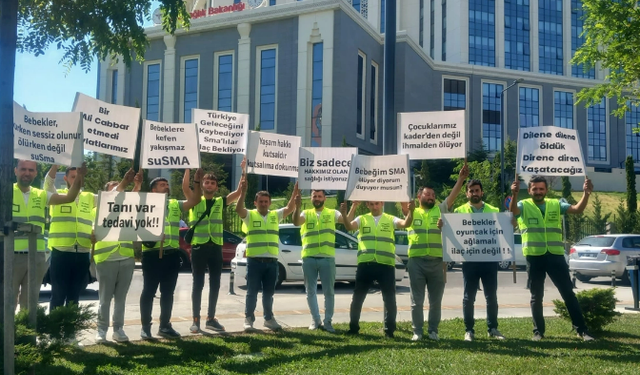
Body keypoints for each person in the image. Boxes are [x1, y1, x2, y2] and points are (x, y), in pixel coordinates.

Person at [510, 174, 595, 341]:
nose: (538, 191)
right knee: (536, 296)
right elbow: (513, 211)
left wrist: (586, 193)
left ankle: (582, 330)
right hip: (534, 257)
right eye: (535, 189)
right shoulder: (523, 205)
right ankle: (538, 332)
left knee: (568, 293)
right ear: (529, 190)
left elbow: (577, 210)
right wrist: (513, 194)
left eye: (541, 189)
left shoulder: (556, 204)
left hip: (555, 256)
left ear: (546, 190)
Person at [403, 162, 468, 341]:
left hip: (437, 262)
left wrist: (461, 179)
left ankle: (433, 331)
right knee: (416, 300)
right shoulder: (412, 212)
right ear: (419, 196)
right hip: (416, 262)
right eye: (427, 194)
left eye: (433, 195)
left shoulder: (440, 211)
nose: (431, 197)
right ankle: (417, 331)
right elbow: (399, 196)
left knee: (435, 301)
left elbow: (452, 197)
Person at [11, 160, 85, 311]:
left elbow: (69, 197)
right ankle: (7, 334)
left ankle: (27, 334)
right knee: (8, 300)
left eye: (31, 170)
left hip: (36, 257)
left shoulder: (41, 194)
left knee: (30, 302)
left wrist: (79, 176)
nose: (27, 173)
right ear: (15, 171)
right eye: (23, 169)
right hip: (11, 256)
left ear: (36, 173)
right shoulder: (5, 191)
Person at [139, 169, 203, 340]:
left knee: (168, 293)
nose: (166, 187)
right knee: (148, 291)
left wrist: (196, 181)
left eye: (167, 185)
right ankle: (145, 327)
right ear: (153, 190)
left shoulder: (175, 204)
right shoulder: (144, 204)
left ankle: (165, 326)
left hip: (172, 255)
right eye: (162, 185)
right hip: (152, 254)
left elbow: (195, 200)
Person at [184, 158, 245, 333]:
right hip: (199, 248)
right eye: (206, 182)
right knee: (198, 284)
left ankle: (211, 318)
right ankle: (196, 320)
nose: (209, 185)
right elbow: (184, 188)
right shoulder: (195, 200)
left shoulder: (220, 202)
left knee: (216, 284)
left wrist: (243, 170)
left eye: (212, 183)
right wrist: (189, 169)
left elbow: (240, 190)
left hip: (215, 248)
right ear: (202, 184)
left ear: (216, 187)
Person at [343, 200, 415, 338]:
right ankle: (353, 327)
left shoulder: (390, 219)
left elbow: (406, 224)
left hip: (385, 265)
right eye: (371, 204)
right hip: (366, 264)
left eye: (377, 203)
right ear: (367, 205)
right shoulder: (362, 219)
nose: (374, 206)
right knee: (358, 297)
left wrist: (411, 211)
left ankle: (389, 330)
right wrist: (350, 209)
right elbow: (349, 227)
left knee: (389, 299)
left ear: (381, 203)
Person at [236, 178, 297, 332]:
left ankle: (268, 319)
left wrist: (296, 190)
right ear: (255, 203)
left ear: (269, 203)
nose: (263, 204)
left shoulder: (275, 215)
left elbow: (290, 208)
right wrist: (242, 193)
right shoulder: (250, 215)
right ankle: (248, 320)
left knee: (269, 294)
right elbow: (238, 209)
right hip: (255, 261)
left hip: (271, 262)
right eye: (261, 201)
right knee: (252, 293)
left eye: (266, 201)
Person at [92, 170, 142, 343]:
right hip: (106, 259)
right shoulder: (97, 211)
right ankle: (101, 330)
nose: (118, 194)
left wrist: (137, 186)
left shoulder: (127, 212)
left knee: (121, 299)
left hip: (126, 259)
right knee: (104, 299)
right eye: (114, 191)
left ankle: (118, 329)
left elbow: (134, 202)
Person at [452, 179, 504, 342]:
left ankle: (493, 328)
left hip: (489, 259)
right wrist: (443, 226)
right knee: (469, 297)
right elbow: (453, 233)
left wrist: (510, 224)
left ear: (482, 192)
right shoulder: (459, 211)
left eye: (477, 190)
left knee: (491, 296)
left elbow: (501, 233)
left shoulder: (494, 210)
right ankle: (469, 330)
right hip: (469, 260)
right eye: (471, 191)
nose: (474, 193)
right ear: (467, 193)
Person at [292, 189, 349, 333]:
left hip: (327, 258)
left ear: (324, 198)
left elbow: (347, 221)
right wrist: (297, 206)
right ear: (311, 198)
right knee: (310, 291)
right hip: (309, 258)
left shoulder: (332, 213)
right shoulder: (306, 213)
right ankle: (315, 320)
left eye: (319, 196)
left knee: (329, 292)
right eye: (314, 196)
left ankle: (328, 322)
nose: (317, 198)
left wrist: (347, 210)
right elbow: (296, 222)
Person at [44, 163, 95, 312]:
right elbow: (48, 182)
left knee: (74, 297)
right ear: (66, 178)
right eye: (73, 176)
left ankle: (70, 332)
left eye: (79, 175)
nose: (77, 178)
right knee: (58, 295)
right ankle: (54, 332)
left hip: (83, 252)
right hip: (61, 252)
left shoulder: (89, 197)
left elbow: (109, 201)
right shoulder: (58, 195)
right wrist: (56, 163)